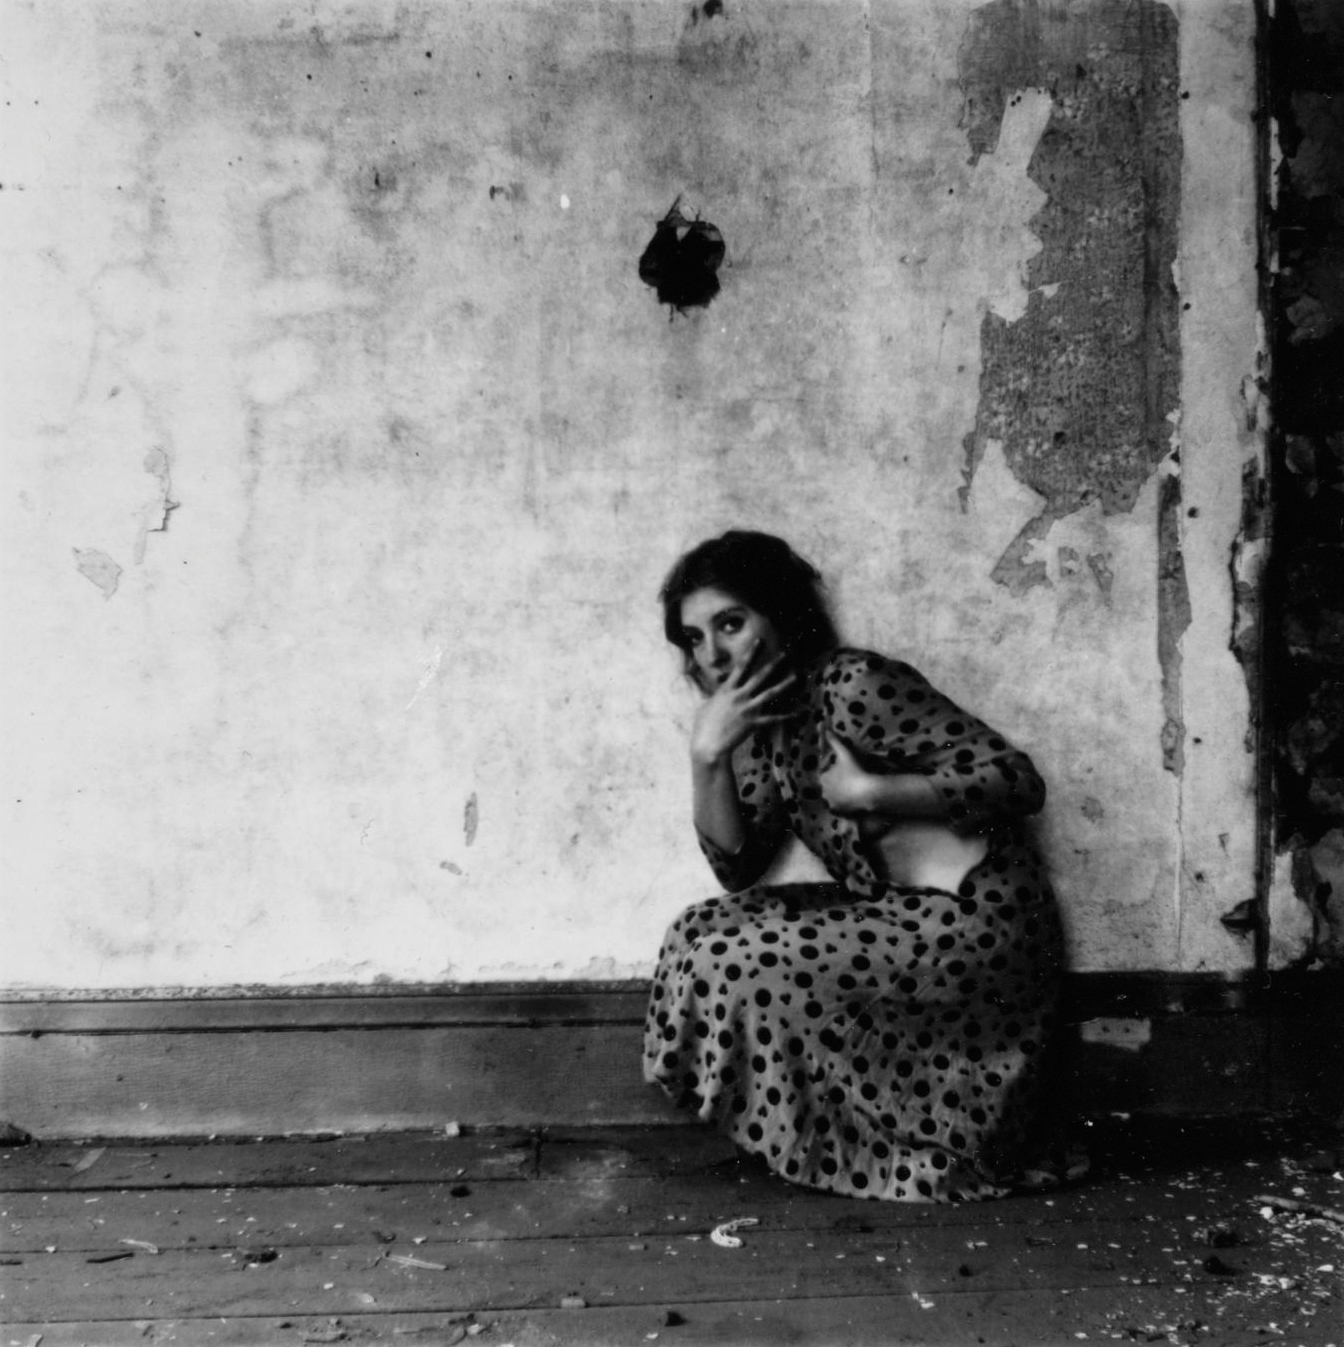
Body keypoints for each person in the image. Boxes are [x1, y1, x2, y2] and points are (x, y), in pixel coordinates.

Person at [643, 530, 1064, 1202]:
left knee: (734, 955)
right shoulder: (767, 726)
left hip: (977, 920)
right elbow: (737, 865)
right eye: (694, 638)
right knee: (699, 931)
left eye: (731, 622)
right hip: (899, 914)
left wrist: (871, 792)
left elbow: (1015, 779)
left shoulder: (853, 684)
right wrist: (709, 757)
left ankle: (926, 1148)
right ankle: (857, 1141)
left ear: (781, 614)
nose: (713, 654)